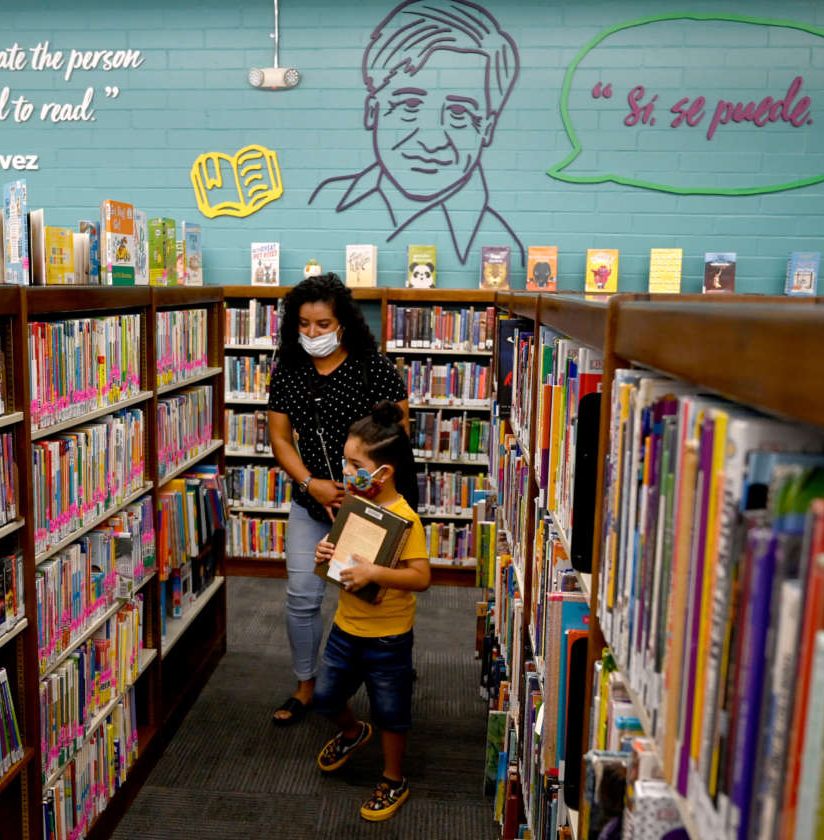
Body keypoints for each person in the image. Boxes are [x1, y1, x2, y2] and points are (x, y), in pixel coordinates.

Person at [266, 273, 408, 726]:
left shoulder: (375, 367)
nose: (312, 334)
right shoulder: (288, 369)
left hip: (370, 506)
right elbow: (279, 437)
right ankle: (306, 684)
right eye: (304, 325)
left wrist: (361, 491)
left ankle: (387, 670)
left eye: (322, 324)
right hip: (312, 502)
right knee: (302, 596)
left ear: (343, 322)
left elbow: (396, 438)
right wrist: (312, 484)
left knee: (375, 594)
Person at [308, 0, 523, 266]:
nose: (432, 141)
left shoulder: (505, 250)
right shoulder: (325, 200)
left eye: (458, 112)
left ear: (487, 129)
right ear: (373, 112)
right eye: (410, 105)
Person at [312, 401, 430, 821]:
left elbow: (421, 576)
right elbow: (334, 560)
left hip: (388, 636)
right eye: (345, 461)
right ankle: (350, 731)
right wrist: (324, 551)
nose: (345, 472)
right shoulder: (353, 505)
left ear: (384, 472)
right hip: (346, 627)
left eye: (353, 463)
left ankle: (394, 777)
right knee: (325, 697)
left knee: (391, 712)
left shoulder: (406, 520)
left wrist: (377, 571)